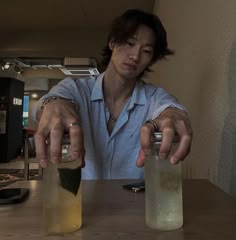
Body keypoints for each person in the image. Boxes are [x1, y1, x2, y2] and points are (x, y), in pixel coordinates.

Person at [33, 9, 192, 179]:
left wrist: (174, 115)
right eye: (130, 43)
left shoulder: (153, 97)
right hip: (78, 202)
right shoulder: (76, 88)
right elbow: (52, 100)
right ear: (113, 42)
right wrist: (54, 105)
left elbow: (170, 108)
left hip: (135, 203)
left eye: (146, 51)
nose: (135, 56)